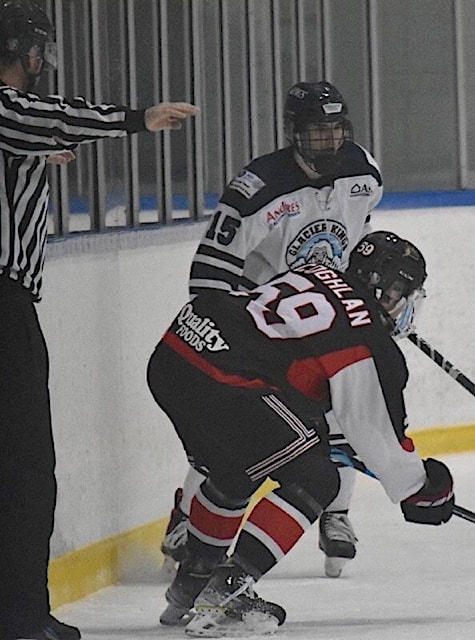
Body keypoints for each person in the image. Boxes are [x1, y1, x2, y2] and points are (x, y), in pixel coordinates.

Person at [0, 1, 199, 639]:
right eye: (34, 52)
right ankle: (21, 617)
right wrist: (138, 119)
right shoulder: (9, 109)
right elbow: (44, 119)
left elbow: (38, 131)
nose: (39, 65)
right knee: (26, 467)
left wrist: (43, 150)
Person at [150, 231, 452, 636]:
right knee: (317, 476)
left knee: (235, 469)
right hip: (226, 378)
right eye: (404, 291)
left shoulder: (317, 272)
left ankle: (193, 581)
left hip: (178, 352)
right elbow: (375, 433)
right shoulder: (367, 339)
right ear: (387, 289)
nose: (404, 303)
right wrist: (424, 489)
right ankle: (227, 592)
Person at [161, 80, 383, 580]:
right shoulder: (257, 189)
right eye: (316, 133)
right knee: (234, 441)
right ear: (293, 134)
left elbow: (357, 240)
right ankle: (186, 517)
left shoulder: (363, 172)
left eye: (335, 131)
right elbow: (208, 278)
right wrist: (234, 345)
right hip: (263, 334)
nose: (328, 143)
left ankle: (338, 513)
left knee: (343, 410)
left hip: (321, 324)